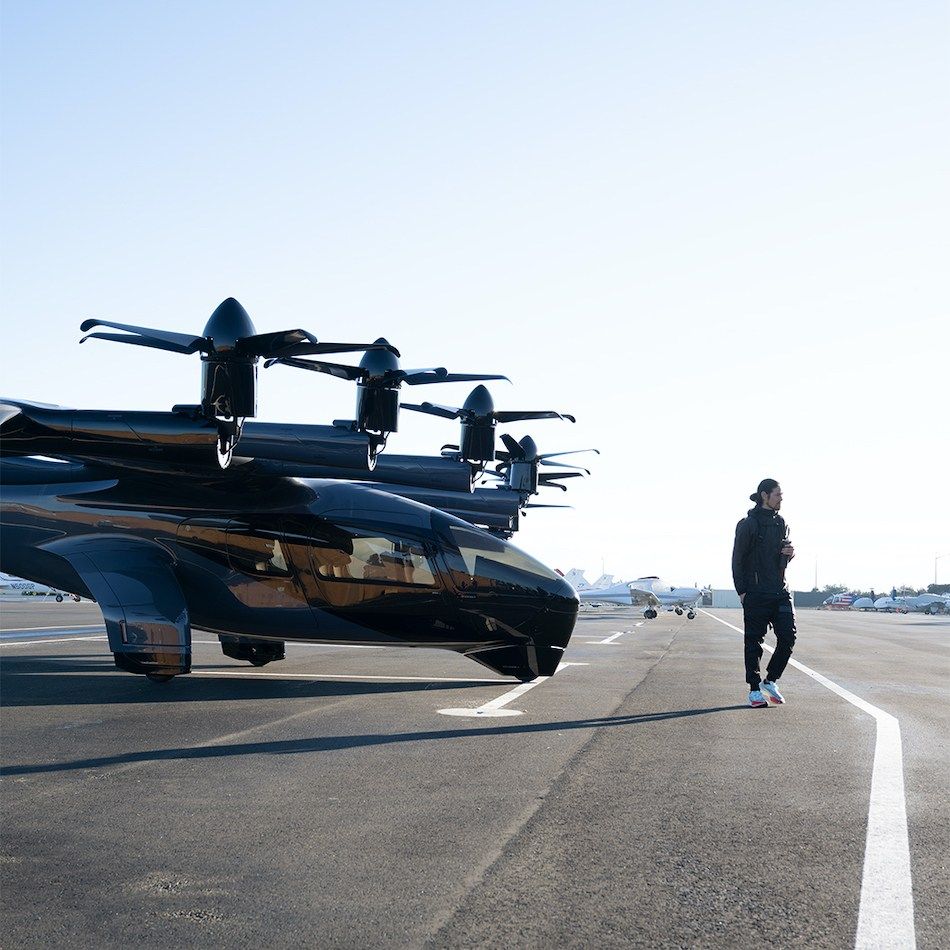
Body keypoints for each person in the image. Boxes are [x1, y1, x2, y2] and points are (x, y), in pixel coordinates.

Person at [731, 478, 796, 707]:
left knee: (788, 637)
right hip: (756, 592)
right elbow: (737, 559)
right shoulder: (748, 524)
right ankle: (754, 689)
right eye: (778, 495)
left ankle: (771, 680)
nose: (781, 499)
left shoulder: (781, 522)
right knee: (753, 643)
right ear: (764, 496)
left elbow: (780, 554)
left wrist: (789, 553)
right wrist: (742, 591)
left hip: (780, 590)